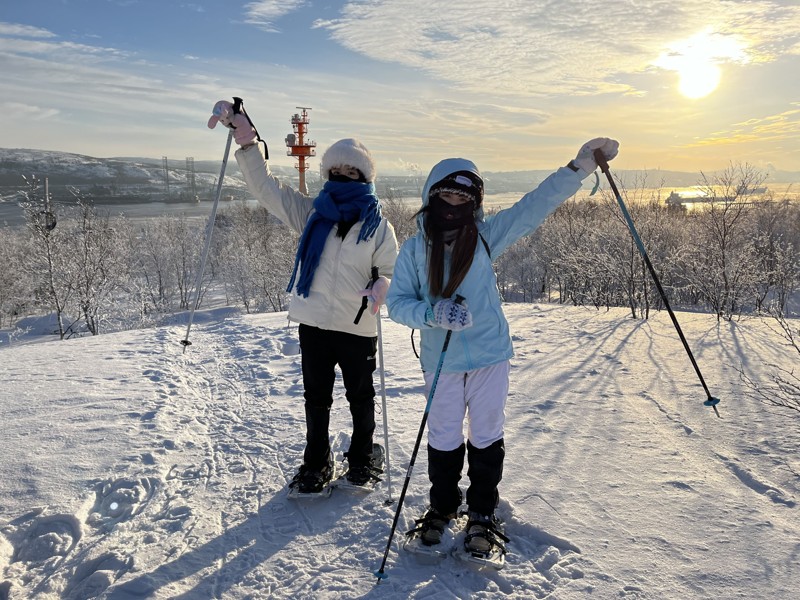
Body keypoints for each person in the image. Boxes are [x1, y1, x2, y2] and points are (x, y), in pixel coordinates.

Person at [385, 137, 619, 557]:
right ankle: (442, 506)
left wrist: (578, 168)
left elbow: (533, 206)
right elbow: (398, 304)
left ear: (474, 203)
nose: (454, 203)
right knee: (443, 436)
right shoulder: (414, 249)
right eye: (447, 195)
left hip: (490, 354)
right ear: (431, 196)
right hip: (442, 360)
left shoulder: (486, 237)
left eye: (464, 197)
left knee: (487, 435)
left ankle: (481, 512)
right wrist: (433, 315)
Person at [208, 100, 398, 494]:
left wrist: (383, 287)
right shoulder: (313, 213)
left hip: (357, 325)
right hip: (314, 324)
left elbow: (392, 270)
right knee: (317, 399)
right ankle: (316, 462)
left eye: (352, 171)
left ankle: (363, 459)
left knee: (360, 399)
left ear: (365, 176)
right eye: (336, 171)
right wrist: (247, 140)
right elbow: (266, 190)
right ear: (327, 173)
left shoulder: (379, 226)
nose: (343, 176)